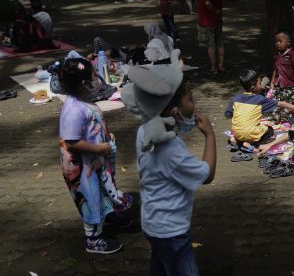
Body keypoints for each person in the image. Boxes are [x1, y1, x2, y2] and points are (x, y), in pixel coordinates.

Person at [121, 58, 217, 275]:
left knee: (161, 264)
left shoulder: (145, 129)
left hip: (152, 221)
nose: (194, 105)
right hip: (171, 230)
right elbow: (207, 174)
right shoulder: (171, 148)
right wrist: (210, 135)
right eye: (191, 99)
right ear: (174, 112)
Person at [58, 58, 134, 254]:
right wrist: (100, 148)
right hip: (83, 167)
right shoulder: (74, 109)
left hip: (94, 161)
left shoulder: (83, 100)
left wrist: (105, 137)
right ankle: (93, 238)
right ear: (84, 84)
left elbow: (91, 126)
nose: (98, 79)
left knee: (102, 191)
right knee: (91, 199)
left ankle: (109, 214)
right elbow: (72, 141)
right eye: (94, 76)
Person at [225, 70, 294, 152]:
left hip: (237, 132)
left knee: (244, 129)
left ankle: (235, 139)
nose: (261, 85)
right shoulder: (260, 99)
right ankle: (250, 144)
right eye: (259, 83)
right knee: (270, 130)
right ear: (253, 88)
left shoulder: (236, 98)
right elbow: (280, 104)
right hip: (250, 133)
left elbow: (228, 115)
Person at [197, 0, 225, 75]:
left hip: (207, 19)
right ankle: (221, 65)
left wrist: (215, 10)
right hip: (218, 19)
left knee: (211, 44)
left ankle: (213, 67)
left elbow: (207, 3)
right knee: (220, 42)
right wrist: (218, 11)